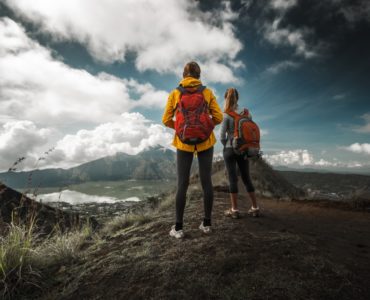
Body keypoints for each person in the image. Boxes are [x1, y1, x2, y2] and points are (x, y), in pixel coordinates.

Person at [162, 61, 223, 239]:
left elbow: (165, 119)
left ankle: (179, 228)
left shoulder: (175, 93)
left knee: (182, 184)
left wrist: (181, 129)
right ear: (199, 75)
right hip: (206, 142)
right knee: (206, 182)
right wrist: (204, 127)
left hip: (183, 144)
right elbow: (218, 117)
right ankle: (206, 224)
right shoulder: (207, 92)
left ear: (184, 75)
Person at [220, 88, 259, 218]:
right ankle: (255, 208)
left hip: (230, 148)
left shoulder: (226, 114)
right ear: (238, 98)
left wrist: (228, 145)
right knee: (246, 177)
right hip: (244, 149)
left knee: (232, 179)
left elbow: (221, 136)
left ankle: (234, 210)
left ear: (226, 98)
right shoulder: (247, 113)